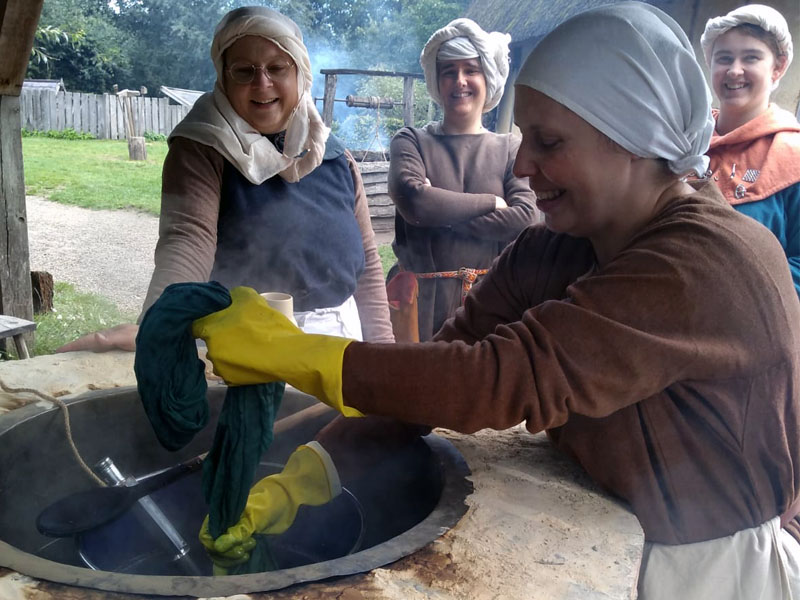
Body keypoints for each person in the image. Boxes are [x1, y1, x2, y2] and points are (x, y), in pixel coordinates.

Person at [192, 2, 800, 596]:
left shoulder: (706, 261)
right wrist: (304, 476)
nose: (524, 163)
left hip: (706, 569)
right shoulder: (553, 249)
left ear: (633, 139)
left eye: (549, 141)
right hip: (606, 530)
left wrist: (296, 351)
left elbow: (494, 379)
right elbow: (442, 370)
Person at [56, 6, 394, 353]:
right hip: (242, 346)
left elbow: (366, 261)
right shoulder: (202, 148)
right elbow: (188, 240)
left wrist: (384, 349)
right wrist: (160, 326)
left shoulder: (332, 154)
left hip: (340, 343)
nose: (262, 83)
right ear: (224, 77)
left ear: (300, 74)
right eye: (244, 71)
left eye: (277, 67)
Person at [388, 18, 538, 341]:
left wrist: (438, 211)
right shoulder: (411, 141)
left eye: (470, 70)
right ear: (437, 81)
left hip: (492, 305)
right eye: (449, 72)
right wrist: (492, 204)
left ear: (487, 78)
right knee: (415, 387)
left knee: (483, 388)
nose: (460, 81)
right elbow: (414, 202)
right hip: (420, 307)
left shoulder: (510, 148)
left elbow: (526, 219)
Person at [701, 5, 800, 297]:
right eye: (724, 58)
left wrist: (731, 294)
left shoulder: (793, 156)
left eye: (751, 57)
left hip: (745, 329)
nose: (734, 70)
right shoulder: (684, 143)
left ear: (778, 67)